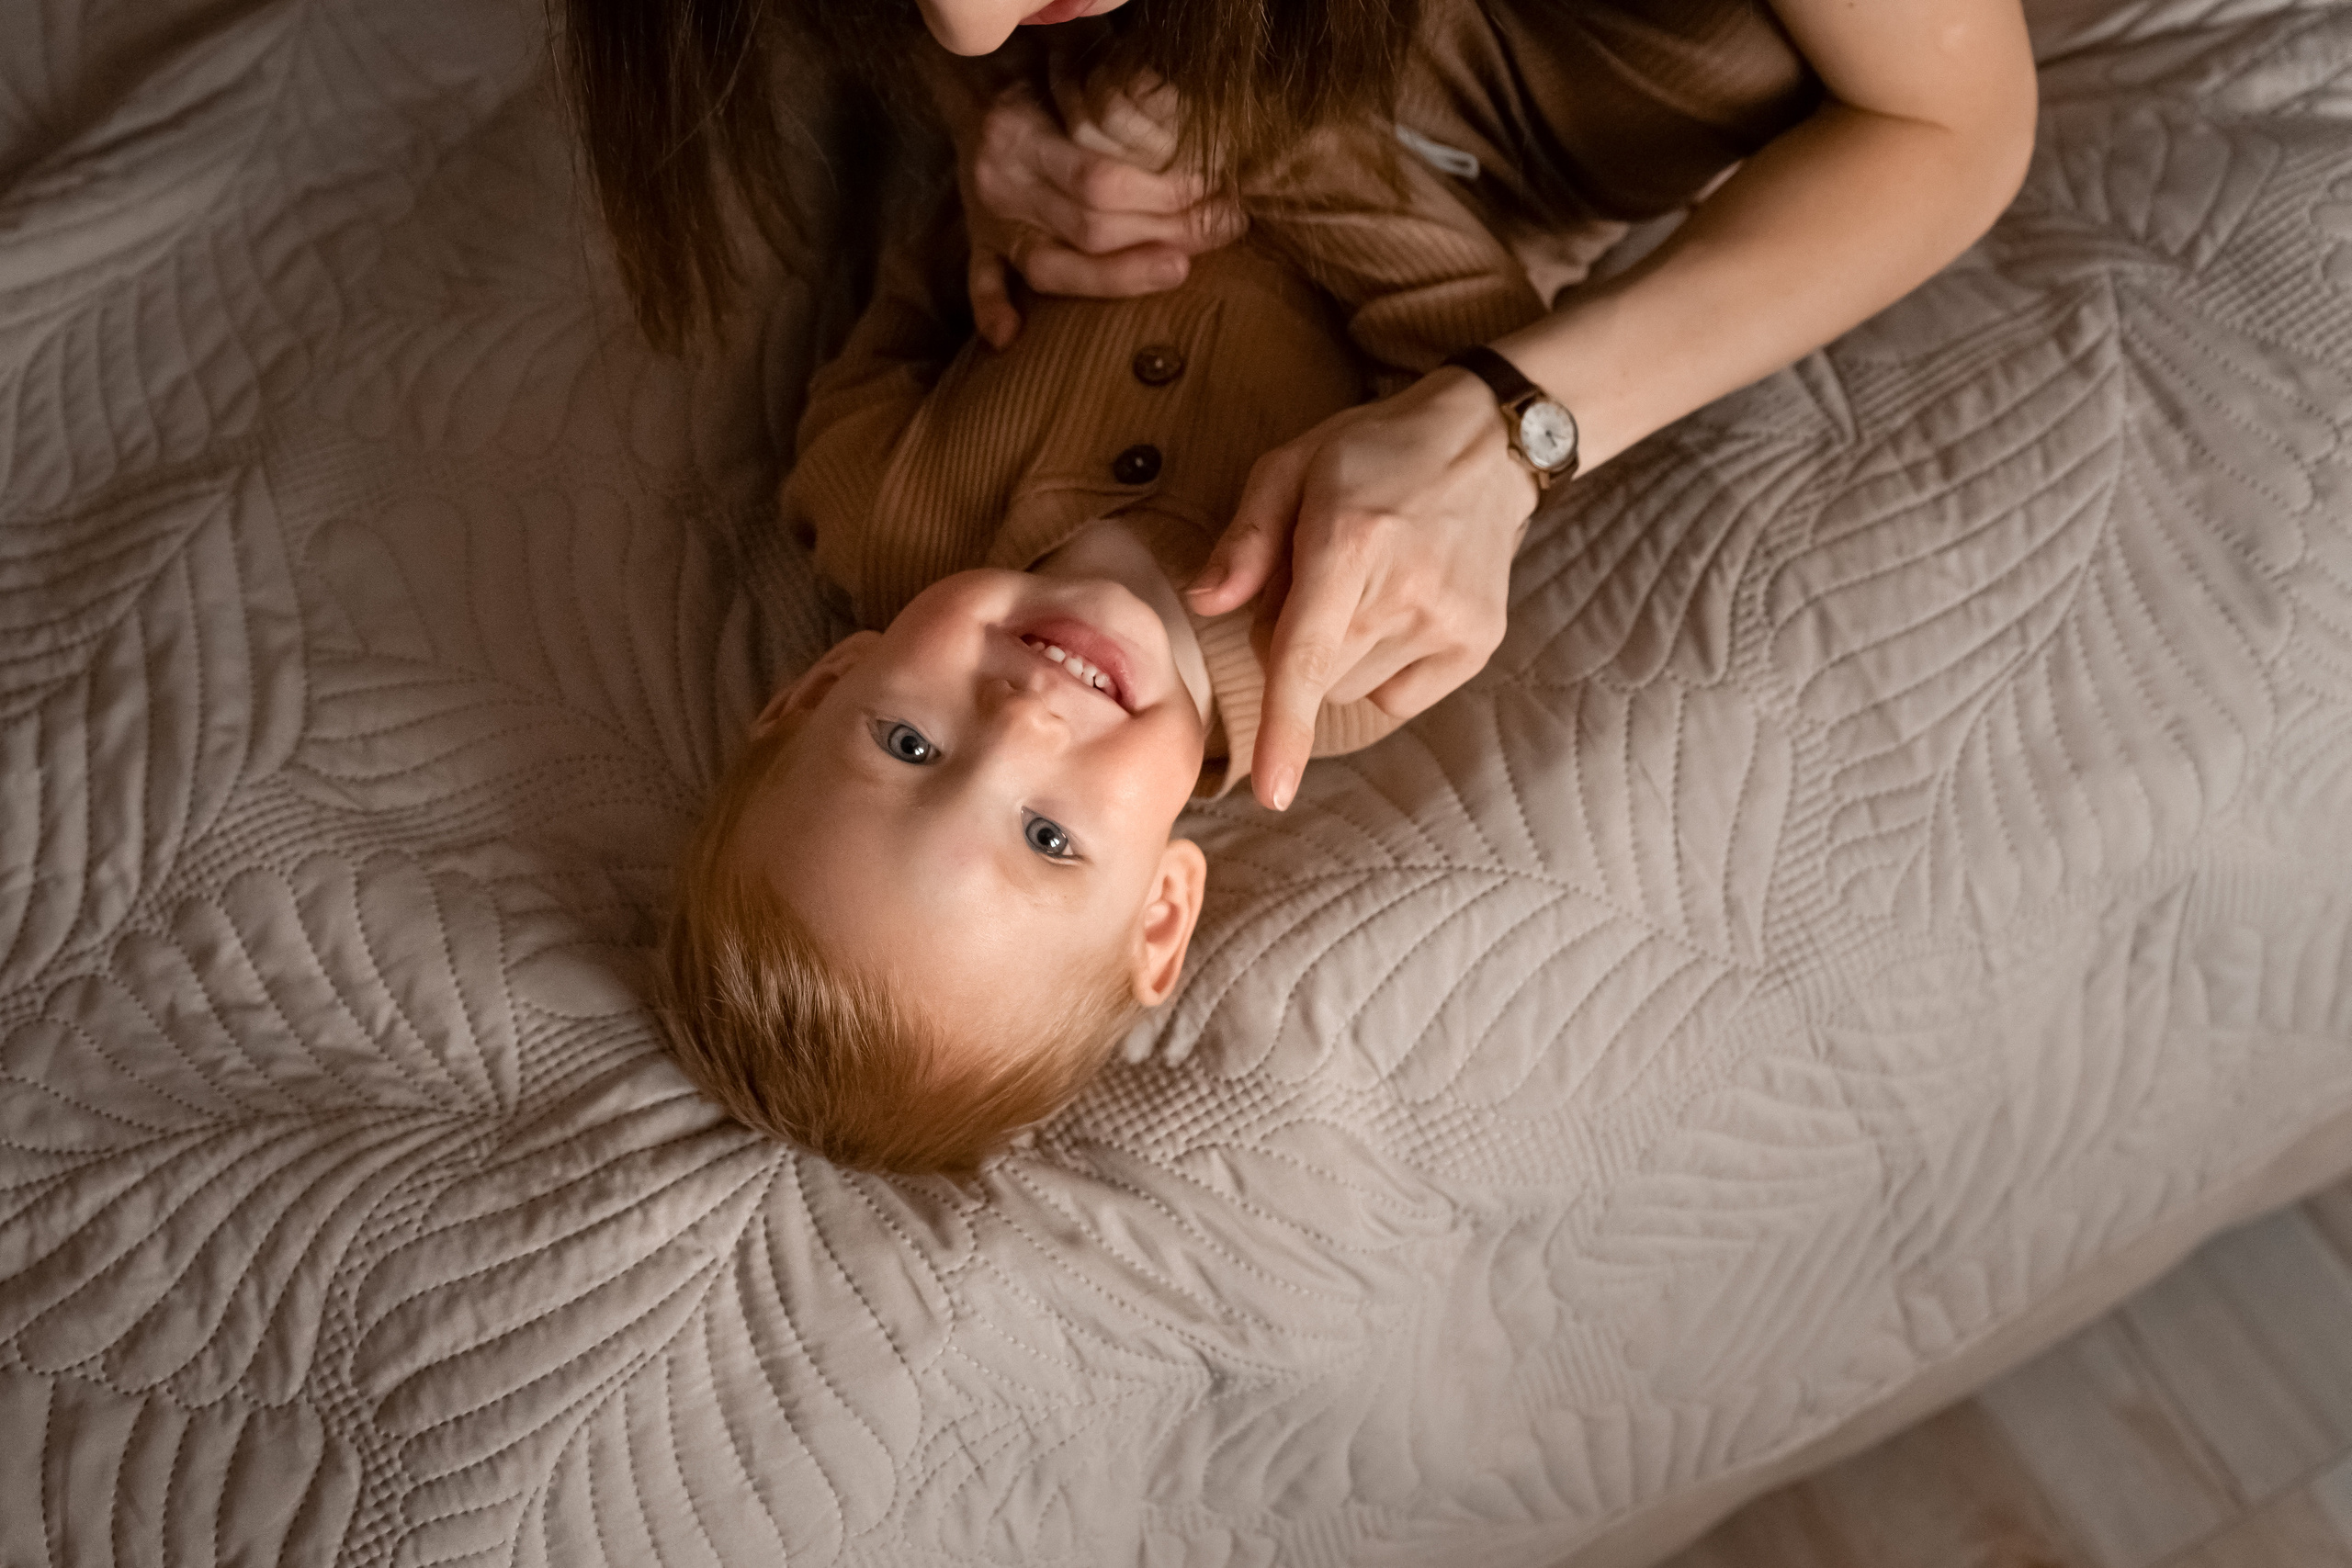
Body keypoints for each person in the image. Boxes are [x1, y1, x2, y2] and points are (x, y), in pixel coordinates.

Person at [561, 0, 2040, 817]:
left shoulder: (885, 512)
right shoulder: (1305, 665)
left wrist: (1516, 418)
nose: (959, 22)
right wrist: (995, 149)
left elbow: (1955, 119)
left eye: (919, 755)